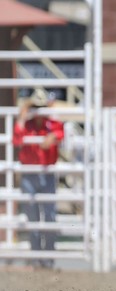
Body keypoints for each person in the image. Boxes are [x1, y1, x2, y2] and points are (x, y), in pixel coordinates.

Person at [13, 89, 64, 269]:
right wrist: (23, 111)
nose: (39, 110)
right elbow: (17, 139)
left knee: (49, 217)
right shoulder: (26, 124)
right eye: (36, 106)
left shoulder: (52, 123)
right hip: (29, 174)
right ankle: (37, 258)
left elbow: (60, 132)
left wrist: (53, 136)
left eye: (41, 107)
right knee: (33, 218)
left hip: (47, 173)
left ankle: (48, 259)